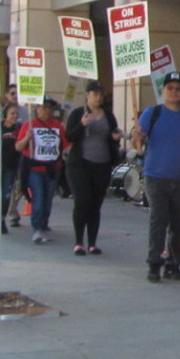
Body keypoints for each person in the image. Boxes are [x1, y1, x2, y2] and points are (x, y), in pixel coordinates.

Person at [133, 71, 180, 282]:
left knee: (178, 225)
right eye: (170, 88)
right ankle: (154, 263)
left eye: (178, 88)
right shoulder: (153, 113)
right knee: (158, 221)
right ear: (163, 90)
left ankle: (173, 265)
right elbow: (138, 144)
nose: (174, 92)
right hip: (156, 176)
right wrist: (137, 138)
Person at [64, 83, 121, 255]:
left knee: (96, 204)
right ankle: (79, 242)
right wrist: (81, 124)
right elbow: (69, 136)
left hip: (102, 164)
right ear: (88, 95)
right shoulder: (78, 113)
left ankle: (93, 243)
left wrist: (115, 138)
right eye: (95, 94)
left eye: (100, 94)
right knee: (82, 201)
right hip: (80, 164)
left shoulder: (109, 116)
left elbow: (112, 137)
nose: (98, 97)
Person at [16, 98, 66, 243]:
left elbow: (66, 145)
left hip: (52, 169)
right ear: (37, 109)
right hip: (35, 169)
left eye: (49, 108)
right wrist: (27, 138)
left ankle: (43, 224)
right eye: (43, 108)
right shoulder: (29, 125)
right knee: (38, 198)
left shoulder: (58, 126)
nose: (47, 111)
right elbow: (18, 147)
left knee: (48, 199)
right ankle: (37, 228)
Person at [0, 102, 25, 232]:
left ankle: (1, 219)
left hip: (11, 167)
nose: (15, 116)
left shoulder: (19, 128)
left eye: (16, 113)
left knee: (6, 195)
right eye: (12, 113)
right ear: (5, 115)